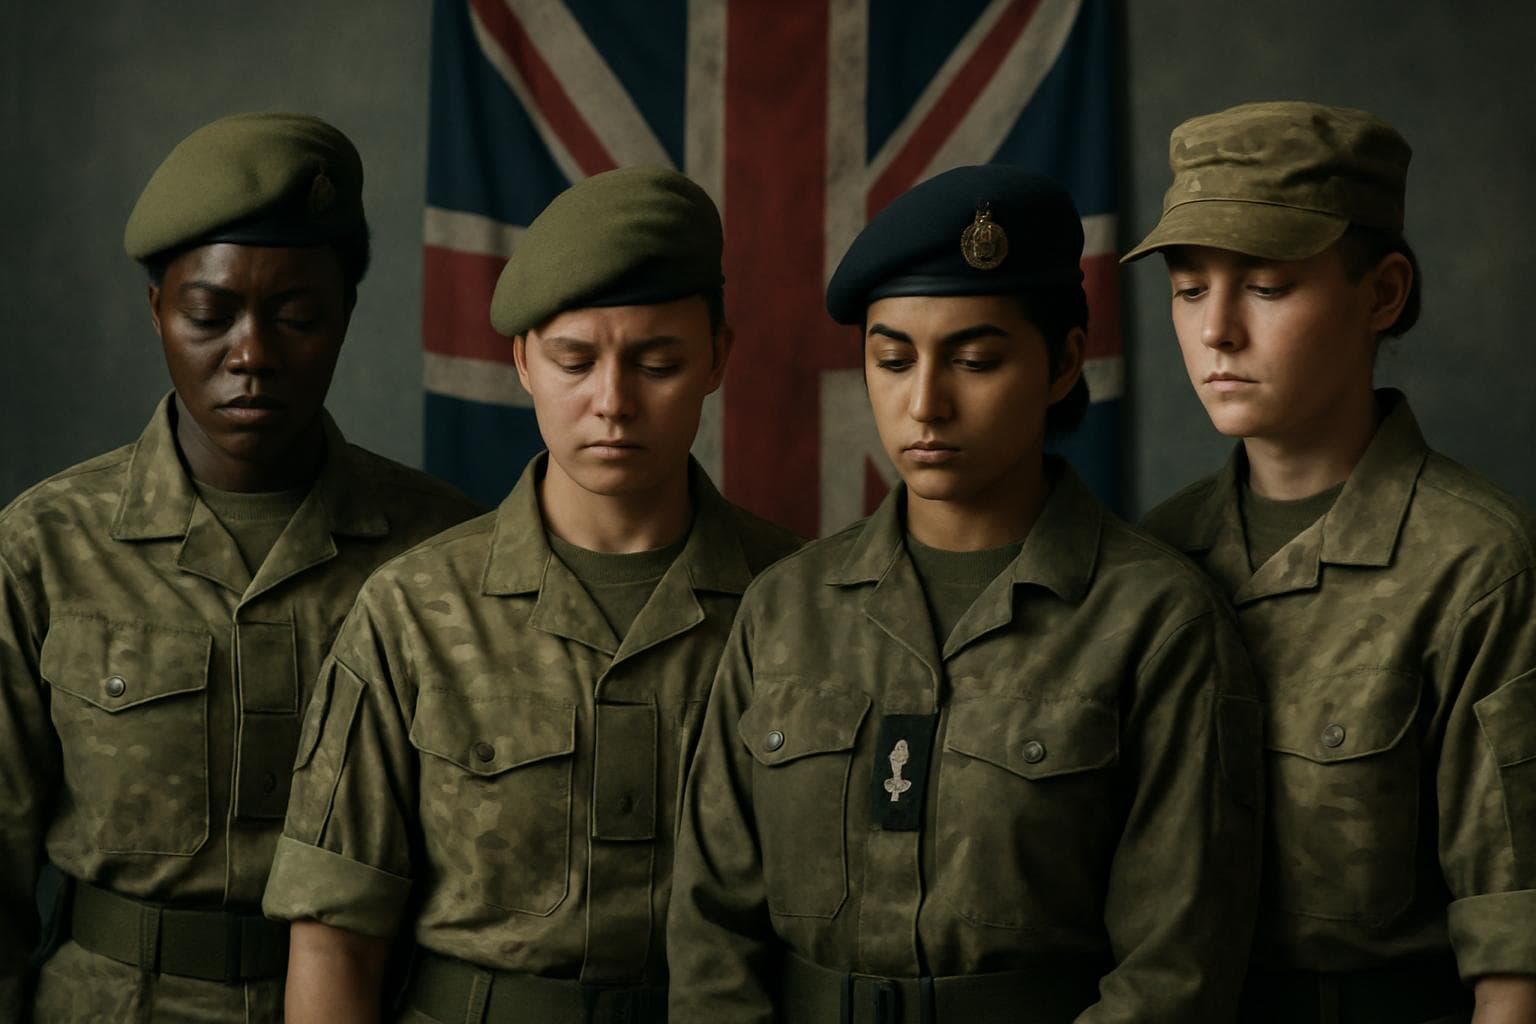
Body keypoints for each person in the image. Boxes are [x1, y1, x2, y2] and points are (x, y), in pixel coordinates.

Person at [666, 164, 1264, 1023]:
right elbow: (710, 931)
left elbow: (1174, 970)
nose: (926, 404)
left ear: (1062, 364)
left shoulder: (1153, 618)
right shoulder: (786, 608)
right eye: (892, 359)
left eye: (976, 359)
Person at [262, 166, 801, 1023]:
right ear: (521, 360)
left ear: (716, 359)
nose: (612, 403)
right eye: (574, 361)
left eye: (657, 361)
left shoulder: (796, 605)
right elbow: (334, 935)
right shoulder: (413, 611)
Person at [0, 112, 482, 1022]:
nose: (250, 355)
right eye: (210, 315)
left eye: (296, 316)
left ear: (343, 316)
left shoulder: (445, 553)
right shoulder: (46, 546)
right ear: (158, 313)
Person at [1125, 100, 1536, 1024]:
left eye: (1266, 286)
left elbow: (1516, 953)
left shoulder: (1479, 565)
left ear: (1382, 294)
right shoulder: (1154, 556)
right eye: (1190, 289)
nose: (1217, 330)